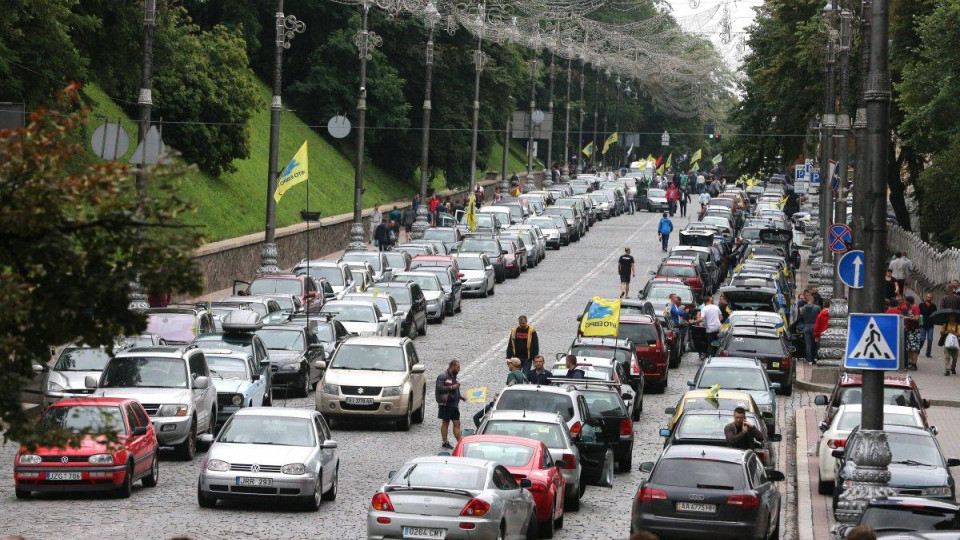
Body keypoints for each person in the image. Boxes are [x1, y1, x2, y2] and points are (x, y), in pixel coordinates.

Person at [436, 360, 467, 449]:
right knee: (454, 423)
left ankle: (447, 442)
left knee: (448, 422)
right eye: (458, 368)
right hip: (446, 403)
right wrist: (452, 387)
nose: (459, 370)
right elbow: (439, 388)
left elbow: (456, 389)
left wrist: (460, 397)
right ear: (452, 366)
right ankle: (460, 442)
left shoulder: (454, 376)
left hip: (453, 404)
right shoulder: (443, 376)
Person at [903, 295, 922, 371]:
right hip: (910, 330)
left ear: (908, 301)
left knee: (914, 348)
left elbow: (917, 318)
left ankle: (914, 364)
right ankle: (911, 362)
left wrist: (907, 318)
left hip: (914, 330)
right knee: (910, 347)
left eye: (906, 301)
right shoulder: (910, 308)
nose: (905, 302)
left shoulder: (915, 308)